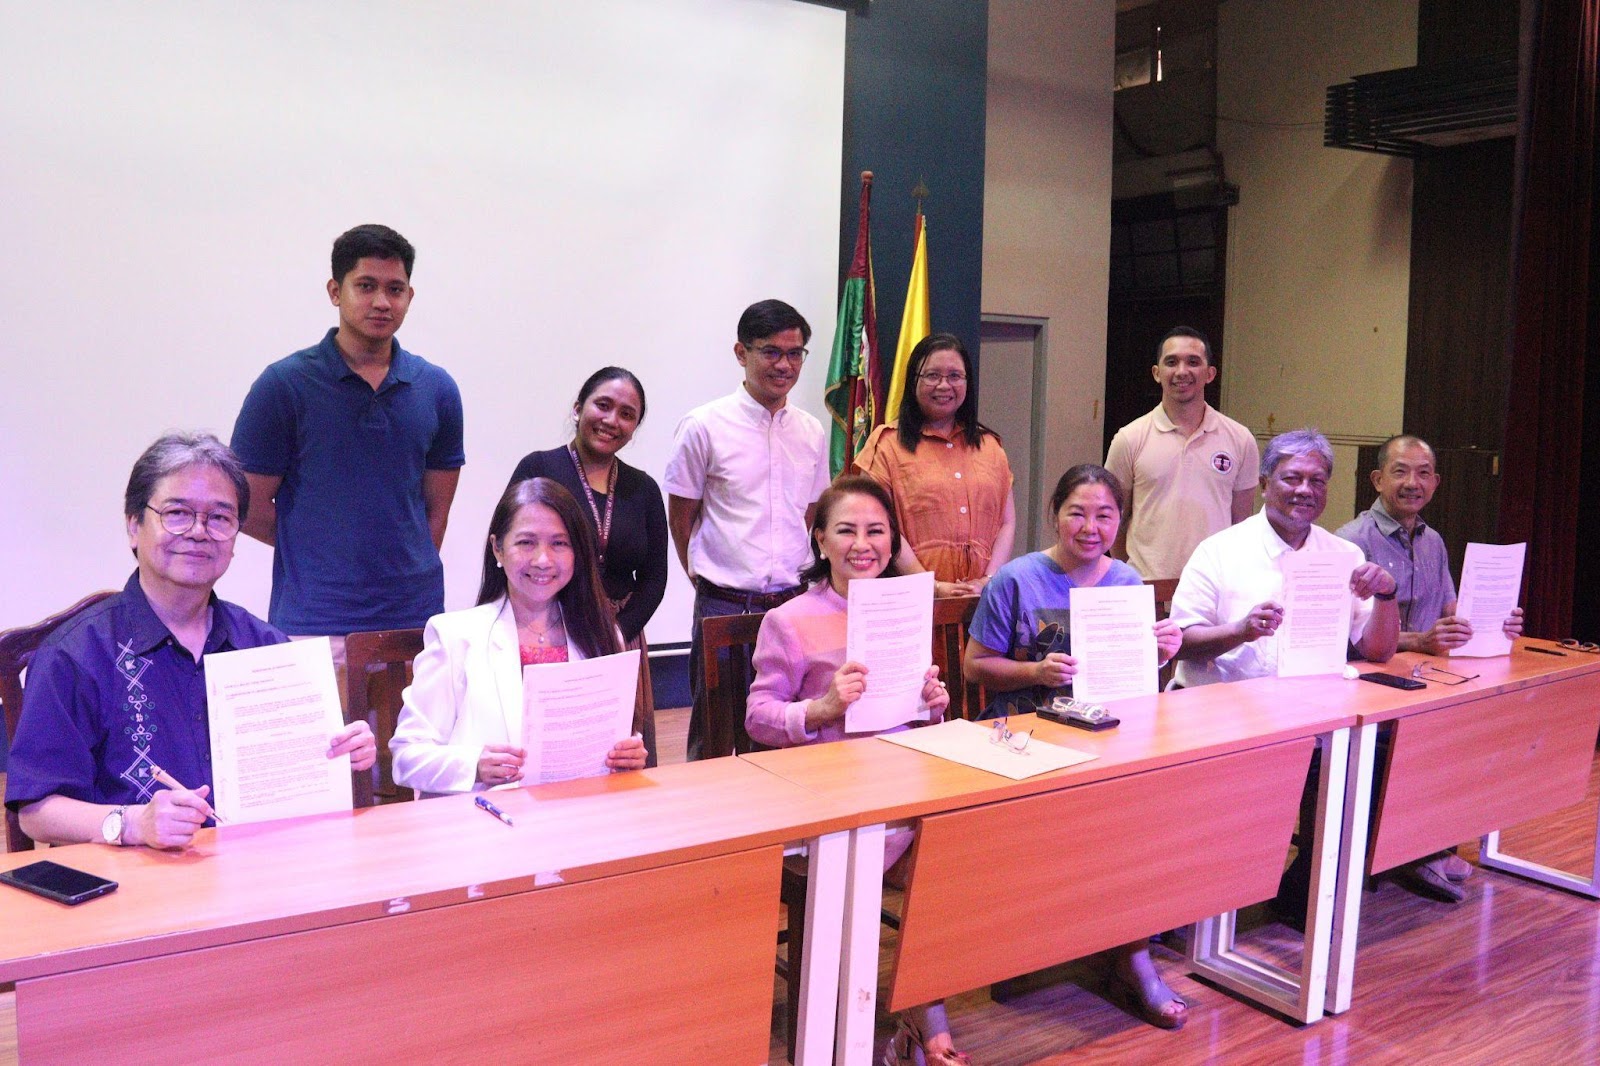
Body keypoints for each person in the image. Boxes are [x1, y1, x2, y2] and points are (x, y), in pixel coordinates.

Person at [5, 433, 376, 849]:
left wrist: (343, 751)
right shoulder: (74, 655)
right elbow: (37, 812)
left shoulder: (267, 647)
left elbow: (299, 783)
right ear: (134, 526)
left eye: (220, 518)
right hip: (133, 878)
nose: (199, 532)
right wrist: (132, 824)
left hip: (258, 868)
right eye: (177, 513)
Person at [744, 477, 965, 1064]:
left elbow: (916, 719)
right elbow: (758, 717)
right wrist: (821, 709)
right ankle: (913, 1024)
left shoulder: (904, 609)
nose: (862, 545)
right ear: (820, 540)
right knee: (925, 854)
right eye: (846, 531)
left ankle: (920, 1014)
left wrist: (930, 703)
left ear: (894, 544)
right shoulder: (789, 620)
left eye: (876, 532)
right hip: (830, 798)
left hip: (903, 784)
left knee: (965, 846)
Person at [963, 464, 1190, 1030]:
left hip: (1102, 733)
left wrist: (1162, 655)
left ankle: (1131, 951)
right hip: (1021, 733)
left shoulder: (1127, 583)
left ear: (1120, 521)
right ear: (1054, 515)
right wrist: (1034, 670)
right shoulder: (1015, 579)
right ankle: (1026, 944)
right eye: (1077, 513)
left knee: (1150, 809)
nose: (1091, 527)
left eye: (1105, 515)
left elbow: (1135, 681)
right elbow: (973, 667)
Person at [1171, 428, 1400, 928]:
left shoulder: (1343, 556)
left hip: (1311, 717)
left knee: (1376, 756)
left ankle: (1304, 892)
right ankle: (1199, 902)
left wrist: (1386, 595)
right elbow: (1181, 641)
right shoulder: (1220, 550)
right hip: (1222, 716)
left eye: (1317, 481)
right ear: (1265, 482)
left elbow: (1378, 651)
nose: (1304, 490)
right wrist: (1241, 630)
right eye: (1292, 478)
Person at [231, 223, 465, 645]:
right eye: (366, 286)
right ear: (335, 291)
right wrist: (312, 548)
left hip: (414, 618)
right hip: (314, 620)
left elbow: (436, 511)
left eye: (395, 289)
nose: (382, 302)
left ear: (410, 296)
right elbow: (244, 504)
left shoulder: (437, 389)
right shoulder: (284, 386)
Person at [1337, 433, 1525, 899]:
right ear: (1377, 479)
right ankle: (1407, 853)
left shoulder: (1433, 540)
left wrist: (1494, 623)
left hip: (1428, 679)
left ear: (1436, 483)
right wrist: (1421, 640)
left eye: (1423, 474)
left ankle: (1427, 846)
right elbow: (1348, 636)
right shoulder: (1351, 541)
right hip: (1370, 684)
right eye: (1400, 471)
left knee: (1472, 729)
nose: (1412, 483)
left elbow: (1451, 609)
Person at [390, 478, 647, 797]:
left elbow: (615, 738)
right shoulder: (455, 636)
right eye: (526, 542)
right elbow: (406, 756)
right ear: (497, 548)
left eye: (559, 543)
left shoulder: (602, 635)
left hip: (580, 814)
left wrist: (628, 754)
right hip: (485, 820)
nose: (543, 560)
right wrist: (473, 764)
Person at [664, 299, 831, 759]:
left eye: (795, 353)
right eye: (771, 352)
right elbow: (681, 516)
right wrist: (702, 577)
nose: (784, 365)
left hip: (794, 605)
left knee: (787, 736)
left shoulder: (811, 431)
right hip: (725, 604)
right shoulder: (703, 426)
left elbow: (811, 513)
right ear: (741, 353)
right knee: (716, 739)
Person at [507, 367, 668, 765]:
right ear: (579, 408)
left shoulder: (643, 488)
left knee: (620, 760)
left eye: (627, 414)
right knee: (550, 755)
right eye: (603, 405)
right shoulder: (538, 468)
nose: (612, 420)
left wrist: (618, 631)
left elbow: (655, 578)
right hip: (545, 631)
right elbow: (512, 546)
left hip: (618, 635)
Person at [853, 332, 1016, 597]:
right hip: (907, 598)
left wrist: (988, 581)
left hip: (981, 600)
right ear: (913, 381)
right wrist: (931, 587)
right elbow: (877, 525)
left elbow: (1007, 523)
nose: (944, 385)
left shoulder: (990, 446)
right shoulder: (886, 445)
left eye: (955, 376)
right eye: (932, 376)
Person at [1105, 326, 1259, 580]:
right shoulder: (1129, 439)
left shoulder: (1241, 440)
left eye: (1193, 362)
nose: (1181, 371)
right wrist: (1132, 578)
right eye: (1171, 362)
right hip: (1146, 587)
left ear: (1210, 374)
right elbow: (1114, 521)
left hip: (1214, 585)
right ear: (1157, 373)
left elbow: (1241, 525)